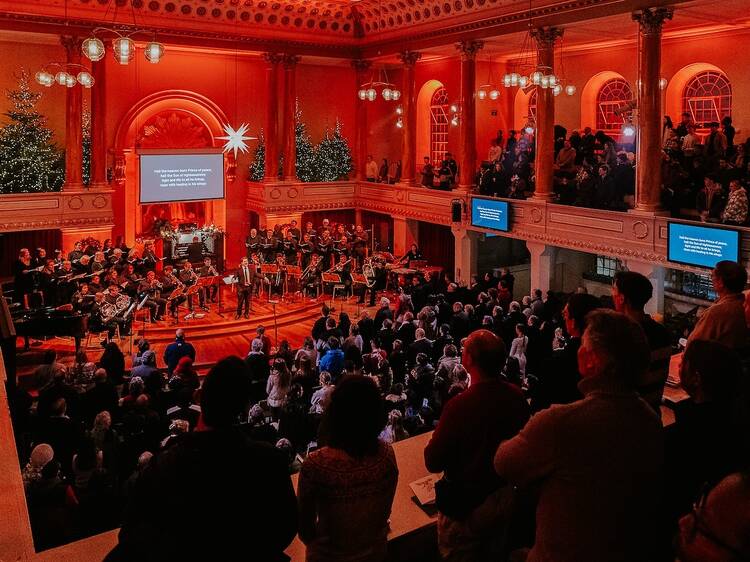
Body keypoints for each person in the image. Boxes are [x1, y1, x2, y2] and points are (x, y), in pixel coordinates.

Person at [494, 310, 665, 561]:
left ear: (591, 361)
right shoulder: (651, 420)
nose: (578, 350)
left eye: (583, 345)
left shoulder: (560, 422)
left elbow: (504, 462)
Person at [107, 357, 297, 561]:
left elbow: (130, 534)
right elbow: (286, 528)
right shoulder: (270, 462)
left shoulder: (161, 466)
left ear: (200, 397)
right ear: (244, 408)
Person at [424, 330, 530, 561]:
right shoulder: (516, 396)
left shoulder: (460, 406)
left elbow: (433, 460)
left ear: (468, 359)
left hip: (466, 505)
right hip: (502, 495)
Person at [298, 375, 398, 562]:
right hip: (376, 554)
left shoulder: (315, 465)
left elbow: (305, 531)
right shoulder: (386, 455)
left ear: (335, 414)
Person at [665, 339, 749, 526]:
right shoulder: (736, 422)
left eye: (684, 361)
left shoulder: (684, 435)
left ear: (696, 377)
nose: (679, 364)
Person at [611, 270, 672, 416]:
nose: (611, 293)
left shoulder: (620, 335)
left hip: (626, 417)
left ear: (621, 298)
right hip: (652, 413)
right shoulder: (663, 333)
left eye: (613, 289)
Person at [687, 260, 748, 350]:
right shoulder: (742, 304)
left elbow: (694, 346)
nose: (711, 279)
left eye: (712, 276)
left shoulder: (716, 313)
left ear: (721, 282)